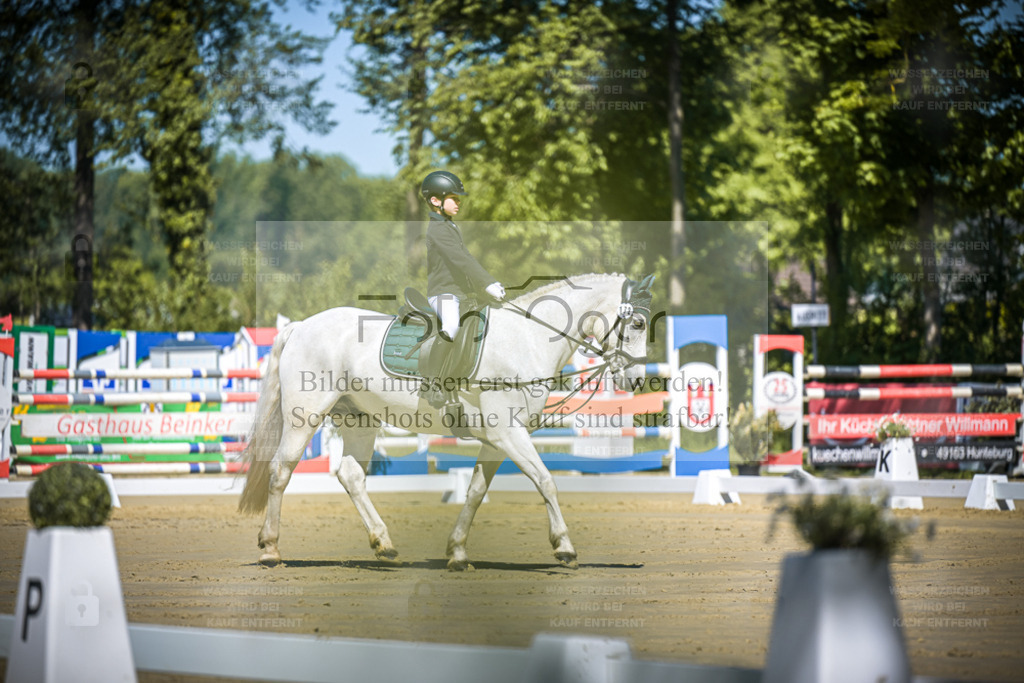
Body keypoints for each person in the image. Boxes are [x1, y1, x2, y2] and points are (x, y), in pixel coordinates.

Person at [418, 170, 504, 408]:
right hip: (443, 293)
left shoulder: (449, 226)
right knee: (452, 325)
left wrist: (485, 286)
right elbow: (460, 260)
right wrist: (487, 283)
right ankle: (432, 382)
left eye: (458, 199)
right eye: (453, 198)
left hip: (460, 293)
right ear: (436, 201)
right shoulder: (437, 229)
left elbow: (466, 257)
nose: (458, 203)